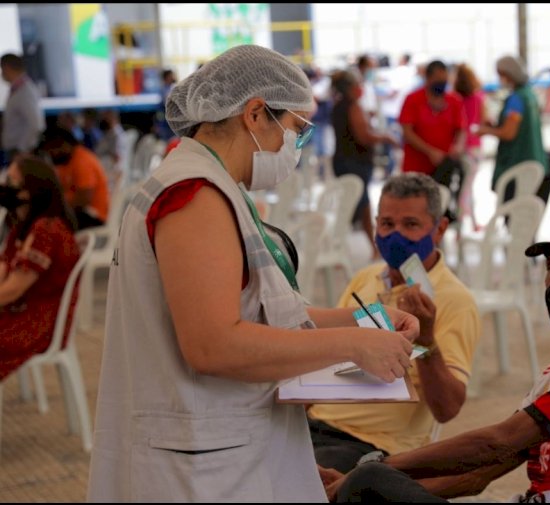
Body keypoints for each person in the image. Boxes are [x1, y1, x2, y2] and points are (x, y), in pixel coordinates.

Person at [86, 44, 419, 503]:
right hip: (200, 463)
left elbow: (271, 315)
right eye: (298, 130)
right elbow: (212, 344)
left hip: (228, 444)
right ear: (256, 114)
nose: (298, 147)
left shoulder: (219, 186)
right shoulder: (195, 195)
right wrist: (354, 344)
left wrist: (370, 320)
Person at [325, 220, 550, 503]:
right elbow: (477, 475)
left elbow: (498, 442)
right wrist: (378, 488)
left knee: (370, 477)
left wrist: (375, 469)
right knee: (369, 485)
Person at [307, 172, 480, 472]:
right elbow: (324, 355)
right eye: (386, 224)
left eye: (410, 225)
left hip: (372, 445)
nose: (395, 235)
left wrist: (426, 341)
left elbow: (447, 409)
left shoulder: (454, 300)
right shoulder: (366, 278)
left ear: (439, 229)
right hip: (314, 425)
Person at [0, 155, 79, 380]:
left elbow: (13, 289)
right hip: (24, 314)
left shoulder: (47, 231)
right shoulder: (23, 226)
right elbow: (4, 272)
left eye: (12, 182)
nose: (6, 187)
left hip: (37, 324)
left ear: (31, 190)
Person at [329, 70, 398, 259]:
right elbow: (363, 136)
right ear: (352, 88)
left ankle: (341, 245)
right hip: (354, 163)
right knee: (363, 205)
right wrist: (386, 138)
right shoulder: (353, 107)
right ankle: (374, 246)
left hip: (344, 161)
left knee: (351, 205)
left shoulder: (338, 106)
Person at [478, 54, 550, 205]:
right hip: (536, 162)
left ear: (508, 74)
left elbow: (509, 133)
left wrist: (485, 131)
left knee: (516, 213)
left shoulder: (516, 99)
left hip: (518, 164)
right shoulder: (529, 94)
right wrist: (496, 126)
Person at [399, 60, 467, 178]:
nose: (441, 83)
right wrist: (430, 151)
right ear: (428, 78)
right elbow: (407, 133)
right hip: (417, 166)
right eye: (438, 79)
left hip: (444, 166)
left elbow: (461, 128)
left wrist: (459, 146)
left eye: (444, 79)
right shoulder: (413, 100)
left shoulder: (454, 100)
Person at [37, 126, 110, 230]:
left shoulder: (82, 160)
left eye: (51, 149)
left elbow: (83, 200)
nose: (50, 154)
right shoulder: (64, 163)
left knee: (49, 226)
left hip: (91, 216)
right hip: (76, 213)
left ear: (63, 144)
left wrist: (55, 207)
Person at [453, 63, 487, 232]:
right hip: (474, 147)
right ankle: (464, 224)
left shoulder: (454, 99)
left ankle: (466, 224)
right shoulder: (479, 98)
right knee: (467, 189)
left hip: (460, 148)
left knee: (465, 187)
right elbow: (484, 120)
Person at [0, 53, 45, 166]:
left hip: (20, 152)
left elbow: (36, 124)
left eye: (2, 69)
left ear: (7, 68)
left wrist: (22, 149)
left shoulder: (25, 91)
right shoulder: (17, 89)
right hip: (14, 150)